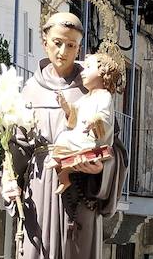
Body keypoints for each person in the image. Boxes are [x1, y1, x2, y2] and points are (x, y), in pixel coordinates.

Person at [5, 11, 125, 259]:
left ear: (80, 47)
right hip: (39, 194)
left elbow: (114, 149)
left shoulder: (92, 87)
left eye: (71, 45)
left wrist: (101, 167)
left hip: (78, 199)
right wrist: (10, 179)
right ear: (45, 41)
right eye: (57, 43)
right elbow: (14, 147)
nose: (63, 51)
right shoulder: (29, 90)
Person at [48, 51, 123, 193]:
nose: (83, 71)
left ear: (103, 72)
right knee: (65, 137)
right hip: (81, 137)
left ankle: (62, 168)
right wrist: (65, 105)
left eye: (88, 67)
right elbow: (74, 113)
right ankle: (64, 179)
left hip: (92, 141)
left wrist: (94, 122)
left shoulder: (103, 95)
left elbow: (104, 116)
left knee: (68, 139)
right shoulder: (87, 97)